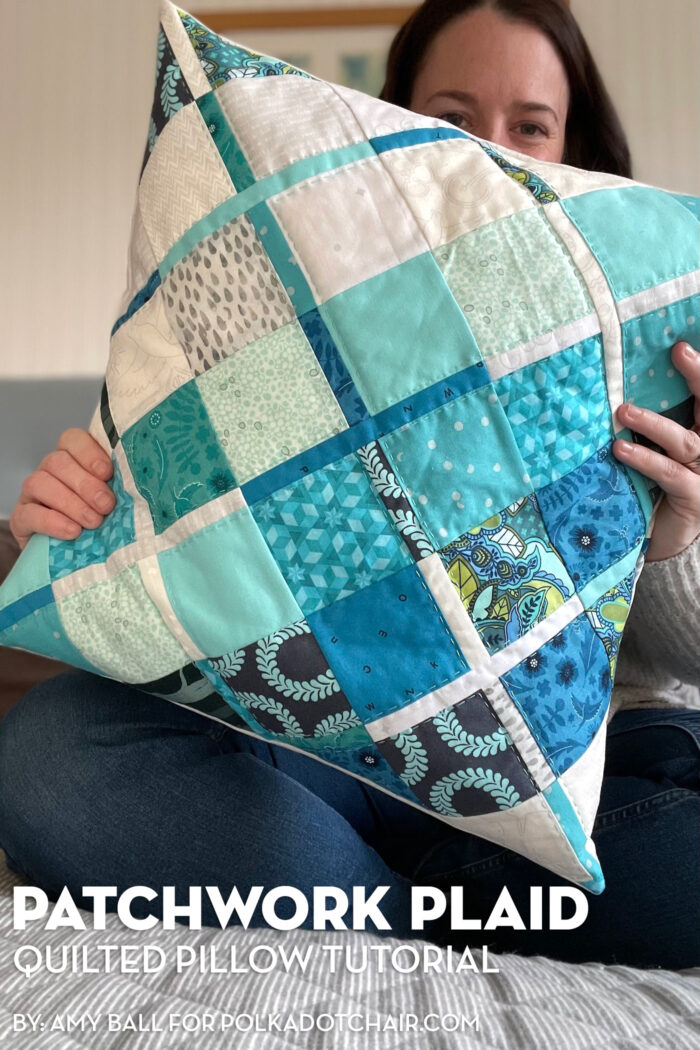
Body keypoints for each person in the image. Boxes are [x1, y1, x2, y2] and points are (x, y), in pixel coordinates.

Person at [1, 0, 699, 969]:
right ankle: (436, 917)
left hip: (587, 778)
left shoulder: (657, 327)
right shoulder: (279, 308)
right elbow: (176, 553)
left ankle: (351, 901)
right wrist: (68, 516)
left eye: (530, 125)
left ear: (576, 143)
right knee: (52, 757)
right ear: (389, 127)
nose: (490, 149)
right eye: (451, 117)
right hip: (318, 748)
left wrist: (669, 540)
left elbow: (689, 664)